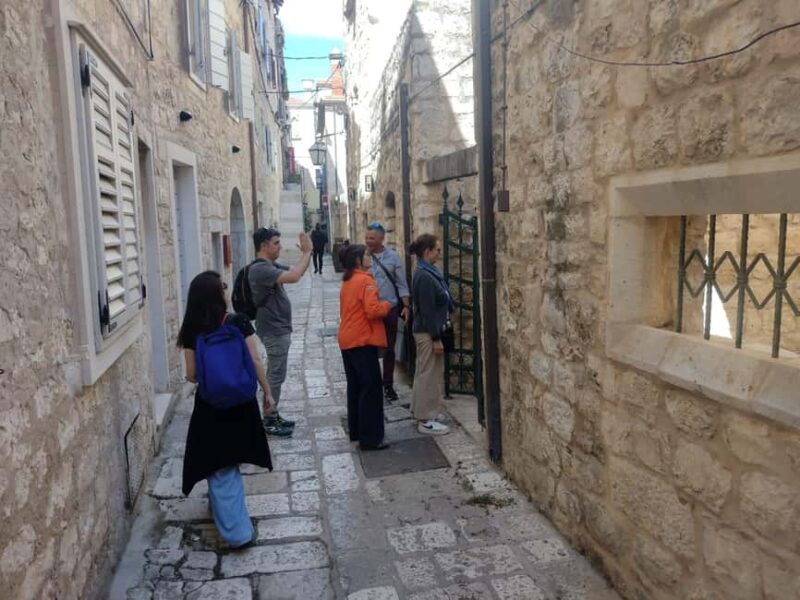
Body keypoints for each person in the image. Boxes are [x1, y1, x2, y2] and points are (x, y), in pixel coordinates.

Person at [178, 271, 272, 548]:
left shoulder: (192, 328)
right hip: (242, 403)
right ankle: (235, 527)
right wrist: (267, 392)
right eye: (223, 287)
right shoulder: (238, 322)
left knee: (218, 463)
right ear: (218, 294)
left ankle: (231, 523)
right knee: (229, 462)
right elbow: (255, 359)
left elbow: (192, 374)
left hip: (211, 406)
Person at [249, 227, 313, 437]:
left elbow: (298, 272)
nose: (280, 246)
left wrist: (307, 253)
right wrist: (306, 253)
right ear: (264, 245)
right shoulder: (260, 269)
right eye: (276, 243)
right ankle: (268, 418)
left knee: (277, 374)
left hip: (278, 328)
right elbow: (294, 276)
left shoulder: (270, 266)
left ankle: (272, 413)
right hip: (273, 330)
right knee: (275, 376)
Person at [338, 244, 392, 450]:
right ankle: (371, 438)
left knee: (356, 387)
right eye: (367, 255)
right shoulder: (365, 281)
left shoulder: (348, 280)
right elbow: (372, 310)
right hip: (362, 340)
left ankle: (358, 431)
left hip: (347, 338)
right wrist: (387, 305)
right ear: (359, 260)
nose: (370, 257)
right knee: (371, 389)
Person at [409, 233, 454, 435]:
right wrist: (436, 338)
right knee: (429, 374)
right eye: (436, 249)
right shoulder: (425, 276)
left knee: (424, 372)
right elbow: (427, 311)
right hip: (427, 333)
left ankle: (421, 411)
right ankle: (426, 418)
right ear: (427, 252)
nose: (439, 253)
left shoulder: (426, 272)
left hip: (426, 331)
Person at [364, 222, 411, 403]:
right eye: (367, 237)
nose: (368, 241)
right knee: (370, 349)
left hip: (390, 309)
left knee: (389, 348)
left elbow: (401, 283)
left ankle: (388, 383)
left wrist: (406, 306)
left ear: (382, 239)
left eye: (372, 238)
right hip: (370, 311)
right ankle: (373, 382)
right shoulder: (361, 256)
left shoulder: (393, 257)